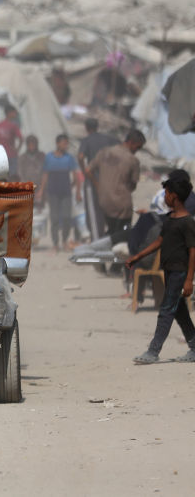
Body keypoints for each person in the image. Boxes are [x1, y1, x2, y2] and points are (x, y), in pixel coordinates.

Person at [128, 176, 195, 365]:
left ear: (174, 196)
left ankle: (153, 351)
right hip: (169, 270)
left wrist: (189, 279)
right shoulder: (170, 219)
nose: (164, 197)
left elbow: (193, 251)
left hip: (180, 272)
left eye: (166, 193)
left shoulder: (187, 222)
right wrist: (138, 256)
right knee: (178, 310)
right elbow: (160, 241)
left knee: (166, 310)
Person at [87, 129, 145, 237]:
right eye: (138, 147)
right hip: (122, 205)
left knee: (109, 232)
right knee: (122, 236)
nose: (137, 150)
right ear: (131, 142)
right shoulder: (132, 160)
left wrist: (98, 186)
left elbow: (88, 170)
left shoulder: (104, 152)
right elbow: (133, 185)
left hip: (104, 200)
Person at [38, 134, 79, 251]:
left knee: (66, 217)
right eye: (64, 143)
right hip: (53, 192)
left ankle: (64, 240)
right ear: (58, 143)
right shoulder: (49, 157)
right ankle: (55, 243)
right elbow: (45, 174)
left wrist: (76, 189)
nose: (66, 146)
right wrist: (41, 190)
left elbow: (75, 175)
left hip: (66, 192)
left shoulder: (69, 158)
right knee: (54, 218)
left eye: (67, 143)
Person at [0, 106, 23, 179]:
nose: (15, 114)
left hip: (0, 155)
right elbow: (21, 139)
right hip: (11, 155)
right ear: (9, 113)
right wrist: (17, 150)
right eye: (14, 113)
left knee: (1, 177)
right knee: (12, 177)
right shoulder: (13, 126)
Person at [19, 135, 45, 199]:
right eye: (30, 144)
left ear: (36, 145)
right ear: (27, 145)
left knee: (39, 204)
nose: (31, 146)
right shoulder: (22, 158)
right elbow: (20, 173)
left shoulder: (42, 156)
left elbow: (45, 173)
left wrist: (41, 189)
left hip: (39, 187)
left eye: (33, 144)